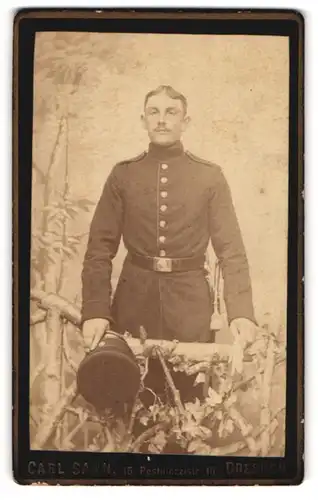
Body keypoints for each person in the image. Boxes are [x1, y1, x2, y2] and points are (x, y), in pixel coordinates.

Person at [81, 85, 257, 353]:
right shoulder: (123, 175)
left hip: (190, 306)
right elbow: (99, 248)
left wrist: (241, 313)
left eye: (171, 112)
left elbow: (231, 251)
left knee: (190, 390)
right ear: (143, 120)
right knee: (128, 388)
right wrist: (95, 310)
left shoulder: (210, 176)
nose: (162, 119)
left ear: (185, 122)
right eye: (154, 112)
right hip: (133, 301)